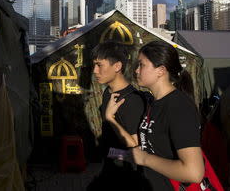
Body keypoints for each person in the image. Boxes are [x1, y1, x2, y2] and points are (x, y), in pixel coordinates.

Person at [106, 40, 204, 190]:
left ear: (161, 70)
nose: (136, 71)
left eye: (142, 65)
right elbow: (147, 149)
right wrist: (115, 153)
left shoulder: (179, 107)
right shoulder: (153, 103)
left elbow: (194, 173)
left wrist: (145, 159)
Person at [87, 41, 148, 190]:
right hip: (110, 172)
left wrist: (110, 119)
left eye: (99, 65)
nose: (95, 70)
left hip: (126, 179)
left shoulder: (132, 100)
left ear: (117, 66)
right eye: (94, 65)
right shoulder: (108, 93)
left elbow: (135, 146)